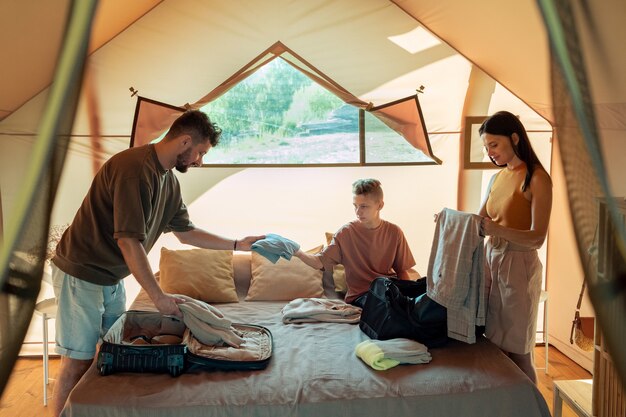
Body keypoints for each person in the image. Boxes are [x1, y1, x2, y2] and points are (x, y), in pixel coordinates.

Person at [50, 110, 264, 416]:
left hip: (111, 277)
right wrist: (157, 295)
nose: (199, 161)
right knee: (77, 360)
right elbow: (129, 240)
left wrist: (237, 245)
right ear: (185, 142)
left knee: (111, 354)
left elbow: (186, 232)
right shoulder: (134, 169)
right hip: (81, 273)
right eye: (200, 153)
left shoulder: (168, 182)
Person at [478, 110, 552, 384]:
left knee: (519, 351)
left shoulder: (537, 178)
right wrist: (450, 219)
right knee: (495, 345)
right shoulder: (496, 179)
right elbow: (479, 219)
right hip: (492, 261)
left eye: (494, 145)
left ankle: (533, 409)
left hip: (519, 267)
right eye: (486, 148)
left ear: (515, 137)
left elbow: (537, 237)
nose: (490, 153)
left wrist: (497, 230)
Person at [294, 178, 416, 307]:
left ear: (380, 205)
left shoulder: (394, 232)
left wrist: (408, 299)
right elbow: (319, 262)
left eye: (364, 206)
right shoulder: (345, 233)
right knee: (387, 306)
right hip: (362, 296)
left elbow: (402, 272)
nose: (358, 212)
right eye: (355, 206)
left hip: (389, 289)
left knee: (427, 297)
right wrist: (298, 252)